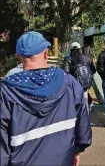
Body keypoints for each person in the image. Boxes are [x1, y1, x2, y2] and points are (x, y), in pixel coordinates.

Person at [0, 31, 92, 166]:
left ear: (18, 57)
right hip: (63, 160)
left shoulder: (6, 91)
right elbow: (82, 126)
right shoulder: (69, 82)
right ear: (45, 53)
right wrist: (77, 150)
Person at [63, 42, 96, 114]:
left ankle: (76, 116)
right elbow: (93, 70)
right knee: (85, 99)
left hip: (73, 84)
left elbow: (66, 73)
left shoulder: (68, 59)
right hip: (84, 83)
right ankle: (86, 116)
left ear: (71, 50)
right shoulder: (86, 58)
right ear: (80, 49)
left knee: (74, 100)